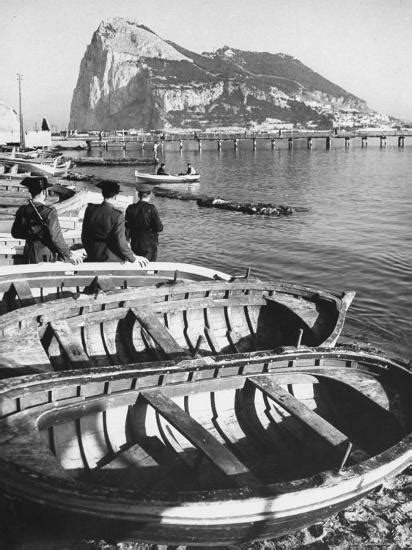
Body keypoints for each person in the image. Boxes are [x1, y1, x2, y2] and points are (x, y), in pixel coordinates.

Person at [11, 176, 82, 264]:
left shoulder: (22, 209)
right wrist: (69, 254)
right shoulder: (49, 211)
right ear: (44, 192)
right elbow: (56, 238)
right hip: (44, 255)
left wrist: (32, 234)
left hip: (28, 252)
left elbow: (15, 233)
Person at [81, 180, 148, 266]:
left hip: (92, 254)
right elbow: (121, 242)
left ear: (102, 194)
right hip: (110, 258)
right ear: (115, 196)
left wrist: (89, 252)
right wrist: (133, 258)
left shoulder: (90, 209)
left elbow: (84, 235)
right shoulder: (117, 215)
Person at [125, 184, 163, 261]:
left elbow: (127, 226)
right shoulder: (151, 208)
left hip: (134, 243)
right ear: (150, 194)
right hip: (149, 244)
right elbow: (159, 228)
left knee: (137, 266)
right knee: (149, 267)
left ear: (139, 195)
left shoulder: (130, 208)